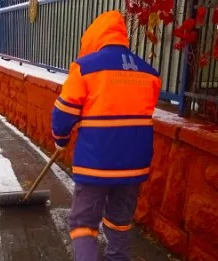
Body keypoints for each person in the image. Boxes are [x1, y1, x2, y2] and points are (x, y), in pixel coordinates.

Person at [51, 11, 161, 261]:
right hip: (134, 166)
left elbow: (63, 112)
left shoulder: (85, 68)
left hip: (96, 165)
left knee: (83, 223)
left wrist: (61, 139)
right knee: (120, 222)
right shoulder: (149, 73)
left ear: (95, 36)